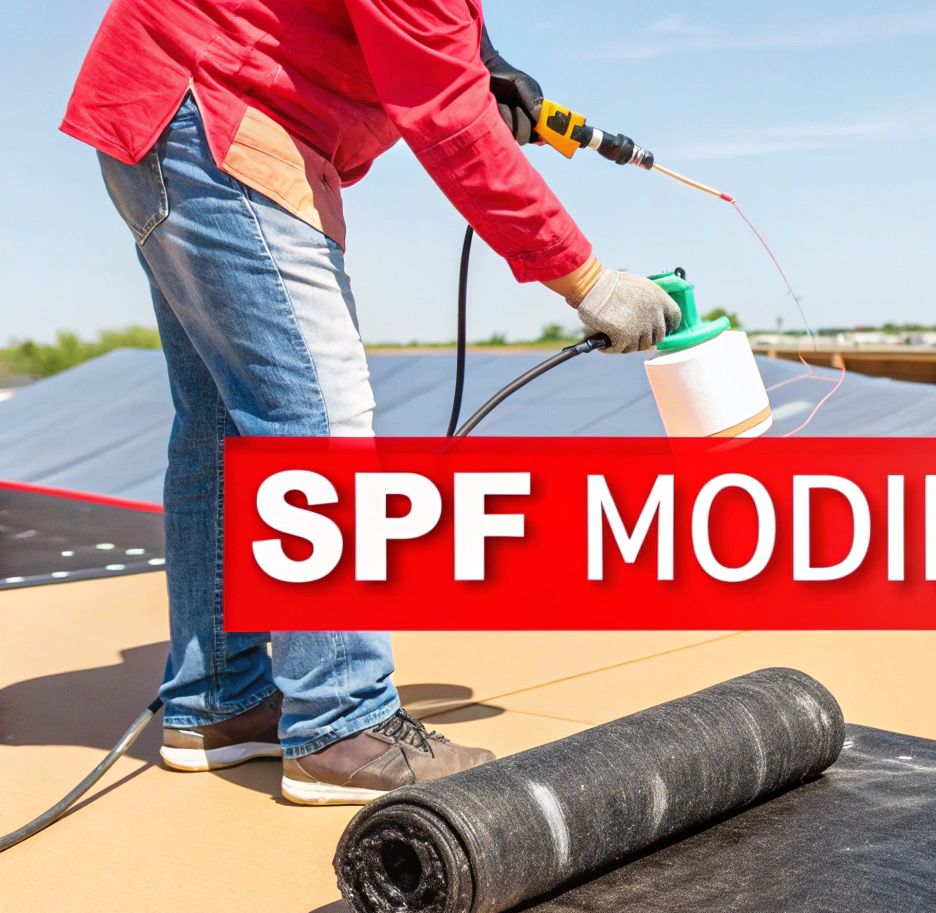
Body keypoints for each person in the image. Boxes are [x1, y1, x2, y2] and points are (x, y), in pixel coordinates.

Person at [61, 0, 678, 805]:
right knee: (321, 423)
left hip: (171, 109)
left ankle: (220, 699)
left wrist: (484, 57)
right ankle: (341, 722)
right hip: (220, 115)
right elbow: (447, 119)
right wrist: (587, 280)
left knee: (222, 428)